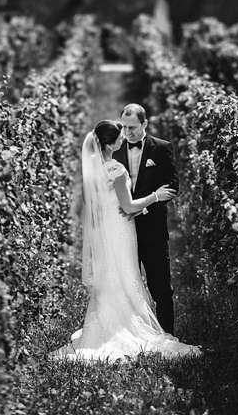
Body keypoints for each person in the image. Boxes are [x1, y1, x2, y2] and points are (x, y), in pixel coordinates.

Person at [50, 119, 199, 362]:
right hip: (122, 229)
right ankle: (126, 325)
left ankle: (106, 323)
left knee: (112, 275)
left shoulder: (92, 170)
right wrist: (156, 196)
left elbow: (97, 207)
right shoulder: (116, 169)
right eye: (120, 135)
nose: (124, 138)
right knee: (126, 274)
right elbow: (128, 207)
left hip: (107, 230)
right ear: (112, 142)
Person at [114, 103, 179, 334]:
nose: (128, 132)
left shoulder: (161, 148)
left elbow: (172, 187)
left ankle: (167, 335)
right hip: (122, 229)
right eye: (124, 127)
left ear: (145, 124)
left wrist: (140, 207)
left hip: (152, 228)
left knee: (160, 285)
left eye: (133, 127)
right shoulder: (114, 150)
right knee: (125, 286)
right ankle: (131, 335)